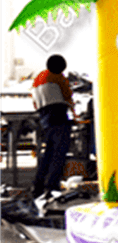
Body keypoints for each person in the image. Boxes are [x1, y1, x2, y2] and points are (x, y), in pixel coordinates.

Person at [30, 53, 76, 206]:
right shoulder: (58, 77)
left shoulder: (37, 79)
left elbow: (35, 103)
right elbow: (68, 96)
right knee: (59, 153)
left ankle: (37, 187)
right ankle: (52, 187)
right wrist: (75, 113)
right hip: (58, 117)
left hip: (45, 119)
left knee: (48, 154)